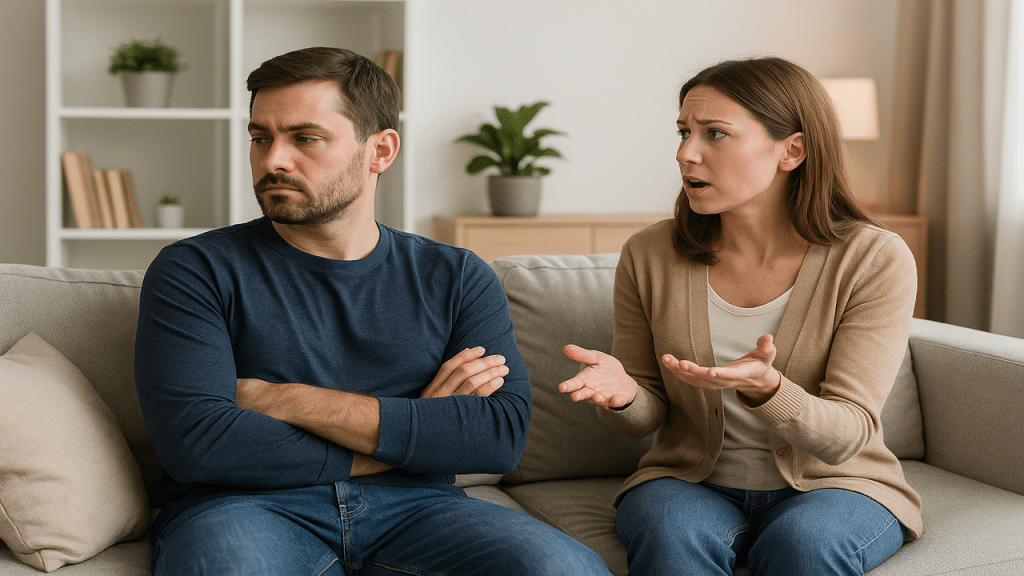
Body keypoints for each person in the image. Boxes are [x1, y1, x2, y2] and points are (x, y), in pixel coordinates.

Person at [134, 46, 610, 576]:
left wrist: (282, 398)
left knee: (564, 568)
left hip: (420, 511)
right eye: (260, 138)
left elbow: (497, 437)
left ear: (380, 151)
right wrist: (416, 434)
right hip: (243, 506)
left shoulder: (456, 276)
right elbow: (199, 444)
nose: (273, 160)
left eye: (305, 138)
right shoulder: (194, 269)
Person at [558, 56, 922, 576]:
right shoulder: (650, 253)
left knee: (804, 545)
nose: (686, 153)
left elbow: (848, 434)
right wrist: (624, 395)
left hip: (838, 484)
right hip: (689, 482)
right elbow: (647, 417)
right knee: (670, 537)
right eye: (684, 132)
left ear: (791, 150)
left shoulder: (874, 259)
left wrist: (772, 391)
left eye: (716, 134)